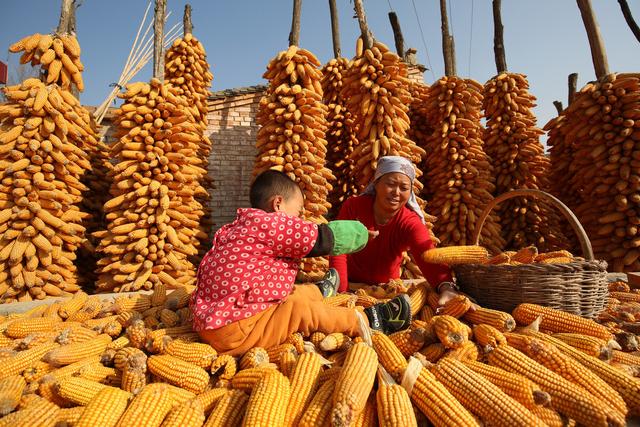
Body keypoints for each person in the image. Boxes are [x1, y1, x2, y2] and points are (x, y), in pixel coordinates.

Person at [191, 170, 413, 356]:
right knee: (298, 310)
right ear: (278, 204)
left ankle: (319, 291)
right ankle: (369, 320)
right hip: (237, 331)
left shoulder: (237, 227)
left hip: (215, 321)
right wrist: (361, 233)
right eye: (297, 212)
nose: (298, 219)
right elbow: (323, 237)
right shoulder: (271, 224)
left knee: (290, 295)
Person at [330, 156, 455, 293]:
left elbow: (428, 256)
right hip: (350, 285)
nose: (396, 192)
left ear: (410, 192)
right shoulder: (354, 207)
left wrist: (446, 287)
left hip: (386, 290)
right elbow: (338, 247)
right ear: (376, 184)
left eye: (404, 188)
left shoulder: (409, 222)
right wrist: (341, 292)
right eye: (390, 184)